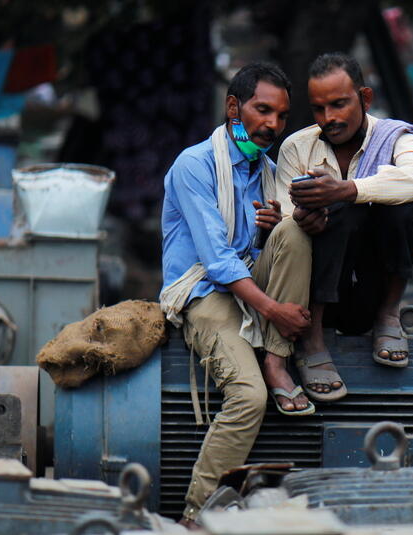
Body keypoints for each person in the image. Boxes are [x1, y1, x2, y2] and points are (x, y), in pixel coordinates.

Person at [158, 62, 314, 527]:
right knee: (248, 398)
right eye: (262, 110)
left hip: (248, 283)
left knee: (294, 230)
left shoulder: (266, 172)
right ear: (233, 107)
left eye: (282, 117)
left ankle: (275, 359)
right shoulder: (195, 165)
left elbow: (266, 252)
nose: (272, 125)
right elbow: (218, 260)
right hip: (206, 292)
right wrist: (274, 311)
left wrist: (269, 233)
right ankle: (196, 515)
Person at [275, 53, 413, 401]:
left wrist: (349, 189)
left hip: (371, 289)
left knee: (403, 204)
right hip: (314, 295)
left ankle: (389, 315)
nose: (329, 118)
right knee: (337, 210)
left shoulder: (397, 139)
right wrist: (304, 219)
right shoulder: (296, 147)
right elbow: (284, 222)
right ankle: (312, 339)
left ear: (364, 98)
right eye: (319, 109)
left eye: (339, 104)